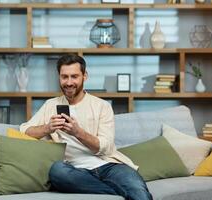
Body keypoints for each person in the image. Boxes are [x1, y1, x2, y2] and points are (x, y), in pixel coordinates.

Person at [20, 54, 153, 200]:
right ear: (59, 77)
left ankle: (122, 192)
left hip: (109, 165)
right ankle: (119, 193)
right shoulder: (51, 105)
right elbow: (25, 130)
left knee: (137, 190)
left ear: (85, 76)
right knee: (57, 171)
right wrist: (47, 128)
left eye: (74, 76)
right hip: (73, 170)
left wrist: (78, 132)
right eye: (64, 77)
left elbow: (106, 147)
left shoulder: (102, 106)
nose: (69, 82)